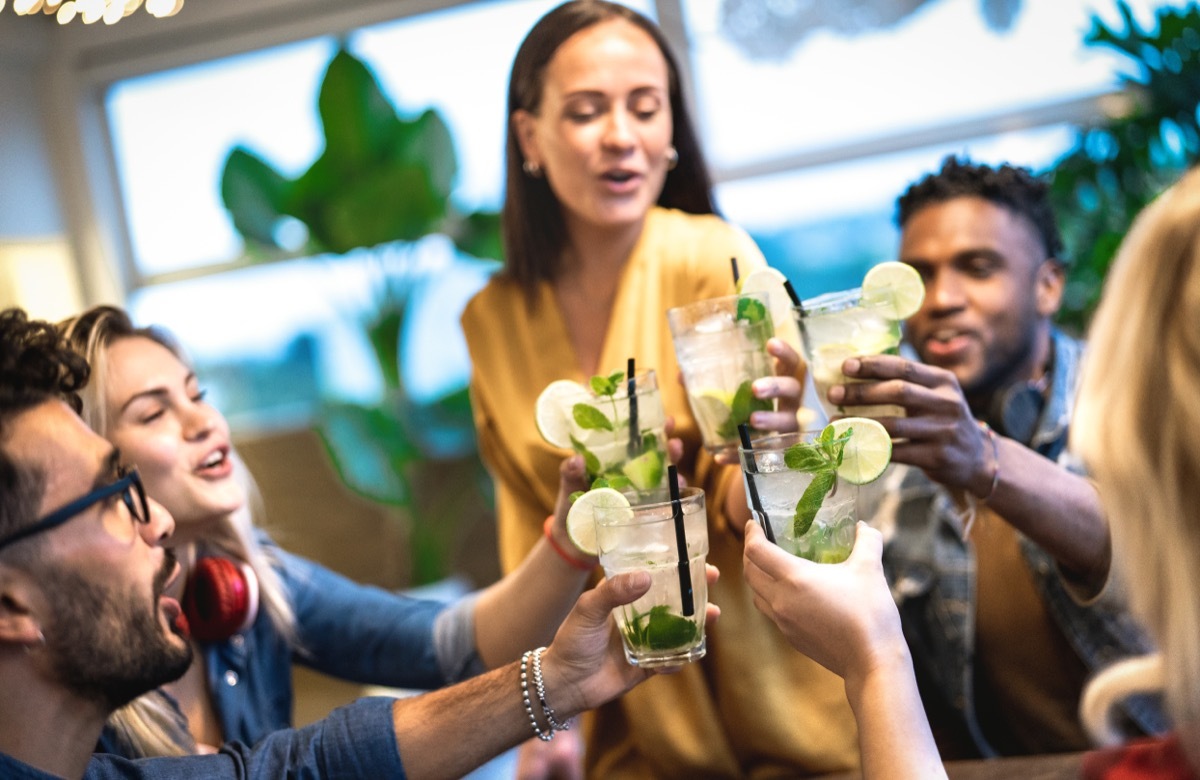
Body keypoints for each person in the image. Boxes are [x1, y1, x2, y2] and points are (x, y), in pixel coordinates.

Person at [0, 306, 719, 779]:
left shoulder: (251, 587)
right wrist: (548, 686)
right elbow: (301, 768)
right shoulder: (68, 693)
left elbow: (447, 643)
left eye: (198, 394)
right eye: (155, 412)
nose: (202, 423)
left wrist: (568, 546)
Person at [460, 1, 858, 777]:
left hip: (787, 713)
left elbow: (756, 502)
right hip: (627, 726)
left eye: (646, 108)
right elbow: (531, 551)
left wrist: (773, 454)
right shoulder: (492, 321)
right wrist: (549, 727)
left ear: (672, 127)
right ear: (529, 137)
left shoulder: (714, 259)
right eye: (585, 111)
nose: (622, 135)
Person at [743, 163, 1200, 780]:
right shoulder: (872, 440)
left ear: (1048, 287)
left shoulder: (1135, 402)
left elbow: (1149, 543)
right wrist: (776, 455)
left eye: (978, 268)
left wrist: (982, 459)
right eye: (921, 275)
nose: (943, 298)